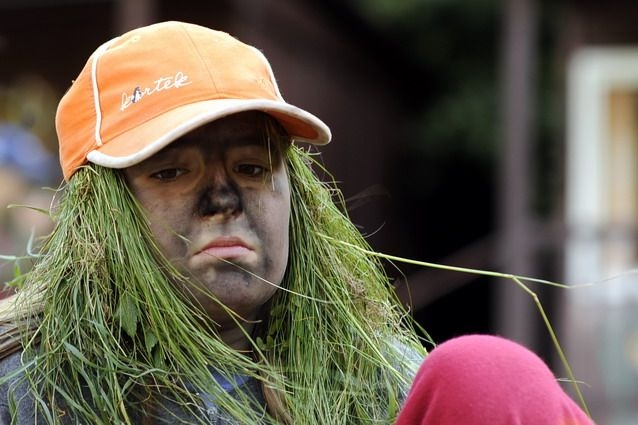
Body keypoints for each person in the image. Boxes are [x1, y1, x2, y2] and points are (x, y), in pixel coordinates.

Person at [0, 21, 594, 424]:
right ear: (98, 221)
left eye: (252, 167)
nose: (223, 200)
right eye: (171, 172)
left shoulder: (390, 386)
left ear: (297, 198)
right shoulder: (26, 394)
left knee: (490, 375)